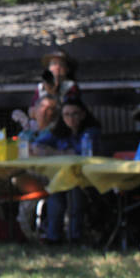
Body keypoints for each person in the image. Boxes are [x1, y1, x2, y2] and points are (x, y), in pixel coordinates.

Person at [41, 97, 100, 244]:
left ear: (83, 115)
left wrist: (52, 152)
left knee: (76, 194)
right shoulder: (59, 132)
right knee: (55, 195)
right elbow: (38, 144)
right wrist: (44, 149)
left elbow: (78, 153)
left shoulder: (91, 132)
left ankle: (76, 236)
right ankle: (53, 237)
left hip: (87, 178)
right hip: (63, 176)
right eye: (66, 114)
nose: (71, 118)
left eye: (75, 114)